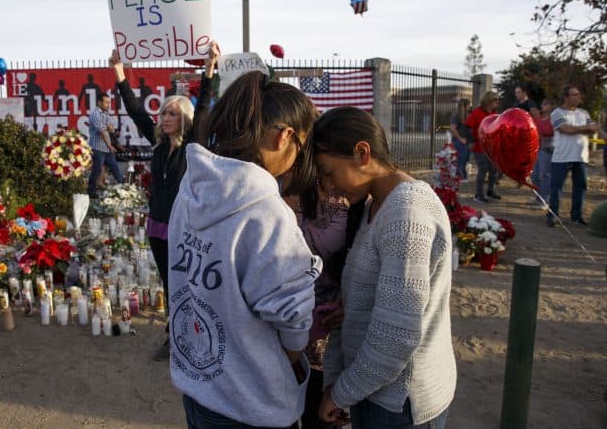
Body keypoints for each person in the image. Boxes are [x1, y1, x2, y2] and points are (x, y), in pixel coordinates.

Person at [169, 70, 321, 428]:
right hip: (250, 406)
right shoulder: (267, 213)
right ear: (284, 137)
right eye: (301, 145)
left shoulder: (191, 188)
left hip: (199, 386)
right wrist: (278, 362)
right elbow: (294, 323)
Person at [312, 107, 456, 429]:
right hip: (376, 391)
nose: (328, 186)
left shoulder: (406, 215)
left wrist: (340, 394)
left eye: (328, 172)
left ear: (362, 153)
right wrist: (353, 312)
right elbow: (389, 299)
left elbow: (396, 337)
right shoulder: (377, 203)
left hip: (399, 404)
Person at [109, 42, 219, 361]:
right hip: (157, 228)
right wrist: (118, 72)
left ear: (184, 118)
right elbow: (135, 110)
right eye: (163, 112)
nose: (164, 117)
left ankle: (187, 335)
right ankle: (176, 335)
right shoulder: (158, 144)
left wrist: (209, 68)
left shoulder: (192, 145)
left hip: (184, 228)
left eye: (172, 113)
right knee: (171, 285)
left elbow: (206, 108)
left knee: (186, 285)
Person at [283, 178, 349, 429]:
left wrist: (351, 302)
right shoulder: (276, 188)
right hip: (283, 330)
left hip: (329, 334)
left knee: (320, 418)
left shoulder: (349, 192)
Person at [547, 85, 600, 227]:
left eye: (578, 94)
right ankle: (552, 215)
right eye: (574, 95)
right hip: (562, 157)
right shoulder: (557, 113)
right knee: (557, 187)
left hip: (581, 157)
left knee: (580, 187)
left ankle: (576, 216)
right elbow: (566, 129)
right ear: (565, 97)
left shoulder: (584, 113)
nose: (578, 97)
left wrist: (584, 128)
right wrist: (585, 128)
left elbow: (593, 129)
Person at [465, 91, 501, 203]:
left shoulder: (495, 114)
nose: (497, 102)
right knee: (483, 169)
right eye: (495, 100)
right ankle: (478, 194)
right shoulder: (477, 112)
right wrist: (471, 141)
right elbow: (467, 127)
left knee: (494, 169)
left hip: (491, 148)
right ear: (489, 101)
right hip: (479, 147)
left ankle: (490, 191)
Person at [87, 93, 124, 199]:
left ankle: (124, 187)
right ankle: (91, 191)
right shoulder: (95, 115)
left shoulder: (106, 114)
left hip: (106, 148)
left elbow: (111, 128)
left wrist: (109, 128)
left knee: (114, 166)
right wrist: (110, 146)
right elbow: (103, 132)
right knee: (97, 169)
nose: (108, 105)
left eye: (109, 102)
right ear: (99, 102)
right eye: (106, 102)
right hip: (97, 147)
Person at [530, 98, 555, 204]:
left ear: (551, 106)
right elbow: (534, 129)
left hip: (547, 149)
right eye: (542, 103)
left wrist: (536, 118)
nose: (542, 106)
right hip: (537, 148)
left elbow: (547, 131)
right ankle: (538, 197)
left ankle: (544, 199)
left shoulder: (553, 118)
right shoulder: (540, 118)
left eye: (545, 104)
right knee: (534, 175)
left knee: (544, 175)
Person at [449, 98, 471, 181]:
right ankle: (460, 176)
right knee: (460, 160)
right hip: (459, 141)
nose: (470, 106)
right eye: (469, 105)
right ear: (465, 106)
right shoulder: (456, 115)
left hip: (467, 141)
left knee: (465, 159)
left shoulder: (468, 115)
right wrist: (460, 138)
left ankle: (463, 176)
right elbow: (453, 129)